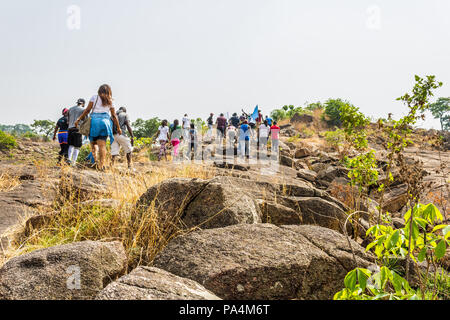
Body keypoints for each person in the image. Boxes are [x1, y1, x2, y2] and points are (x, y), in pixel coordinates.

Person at [75, 84, 121, 171]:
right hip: (105, 123)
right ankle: (101, 165)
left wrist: (78, 119)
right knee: (102, 145)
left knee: (93, 144)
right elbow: (114, 115)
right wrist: (118, 128)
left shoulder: (94, 97)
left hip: (94, 122)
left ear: (99, 90)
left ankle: (95, 162)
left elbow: (87, 110)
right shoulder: (110, 100)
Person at [67, 98, 85, 166]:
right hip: (78, 129)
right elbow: (85, 120)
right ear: (82, 103)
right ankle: (73, 163)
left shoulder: (70, 109)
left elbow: (68, 121)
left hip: (70, 129)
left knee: (71, 145)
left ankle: (69, 159)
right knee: (77, 147)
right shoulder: (83, 110)